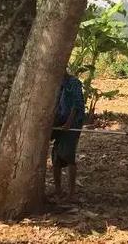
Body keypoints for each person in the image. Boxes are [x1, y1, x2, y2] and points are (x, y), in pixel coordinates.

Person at [51, 70, 86, 201]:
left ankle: (71, 193)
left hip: (73, 124)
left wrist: (69, 123)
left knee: (68, 155)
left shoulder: (74, 83)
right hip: (59, 122)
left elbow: (77, 105)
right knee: (56, 157)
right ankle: (58, 190)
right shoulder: (57, 84)